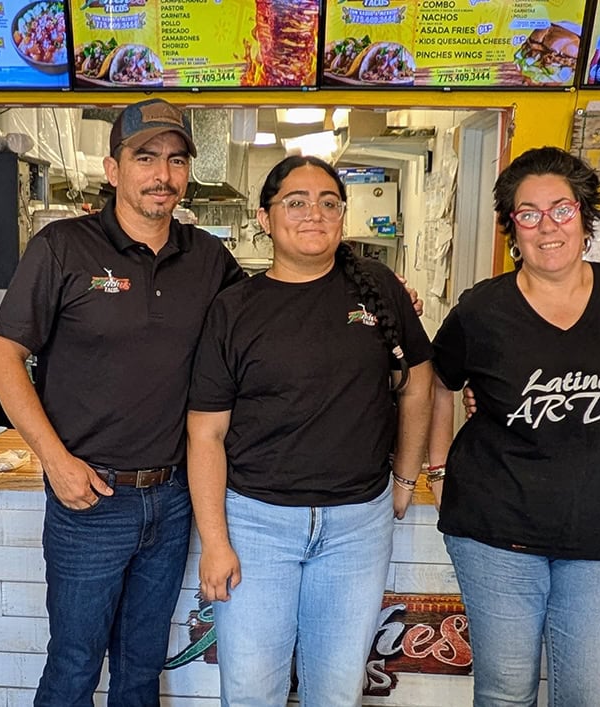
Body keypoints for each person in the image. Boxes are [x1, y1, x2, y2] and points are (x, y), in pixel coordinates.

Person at [0, 98, 246, 706]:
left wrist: (372, 292)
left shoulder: (208, 259)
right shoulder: (62, 246)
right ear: (113, 168)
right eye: (145, 158)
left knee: (140, 670)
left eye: (176, 160)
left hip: (173, 498)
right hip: (89, 499)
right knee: (74, 667)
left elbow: (270, 319)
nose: (163, 174)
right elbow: (2, 358)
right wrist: (56, 462)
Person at [186, 155, 434, 707]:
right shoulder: (234, 309)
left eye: (328, 202)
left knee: (337, 692)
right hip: (256, 525)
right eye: (295, 202)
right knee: (251, 693)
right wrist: (216, 542)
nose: (313, 214)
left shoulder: (377, 289)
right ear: (265, 217)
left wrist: (405, 477)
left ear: (343, 215)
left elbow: (418, 381)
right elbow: (205, 434)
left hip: (356, 527)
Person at [428, 146, 600, 706]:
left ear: (584, 215)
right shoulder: (481, 310)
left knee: (591, 696)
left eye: (561, 209)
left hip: (597, 526)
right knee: (507, 692)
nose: (547, 226)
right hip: (496, 527)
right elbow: (438, 382)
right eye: (528, 214)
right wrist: (436, 470)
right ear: (512, 227)